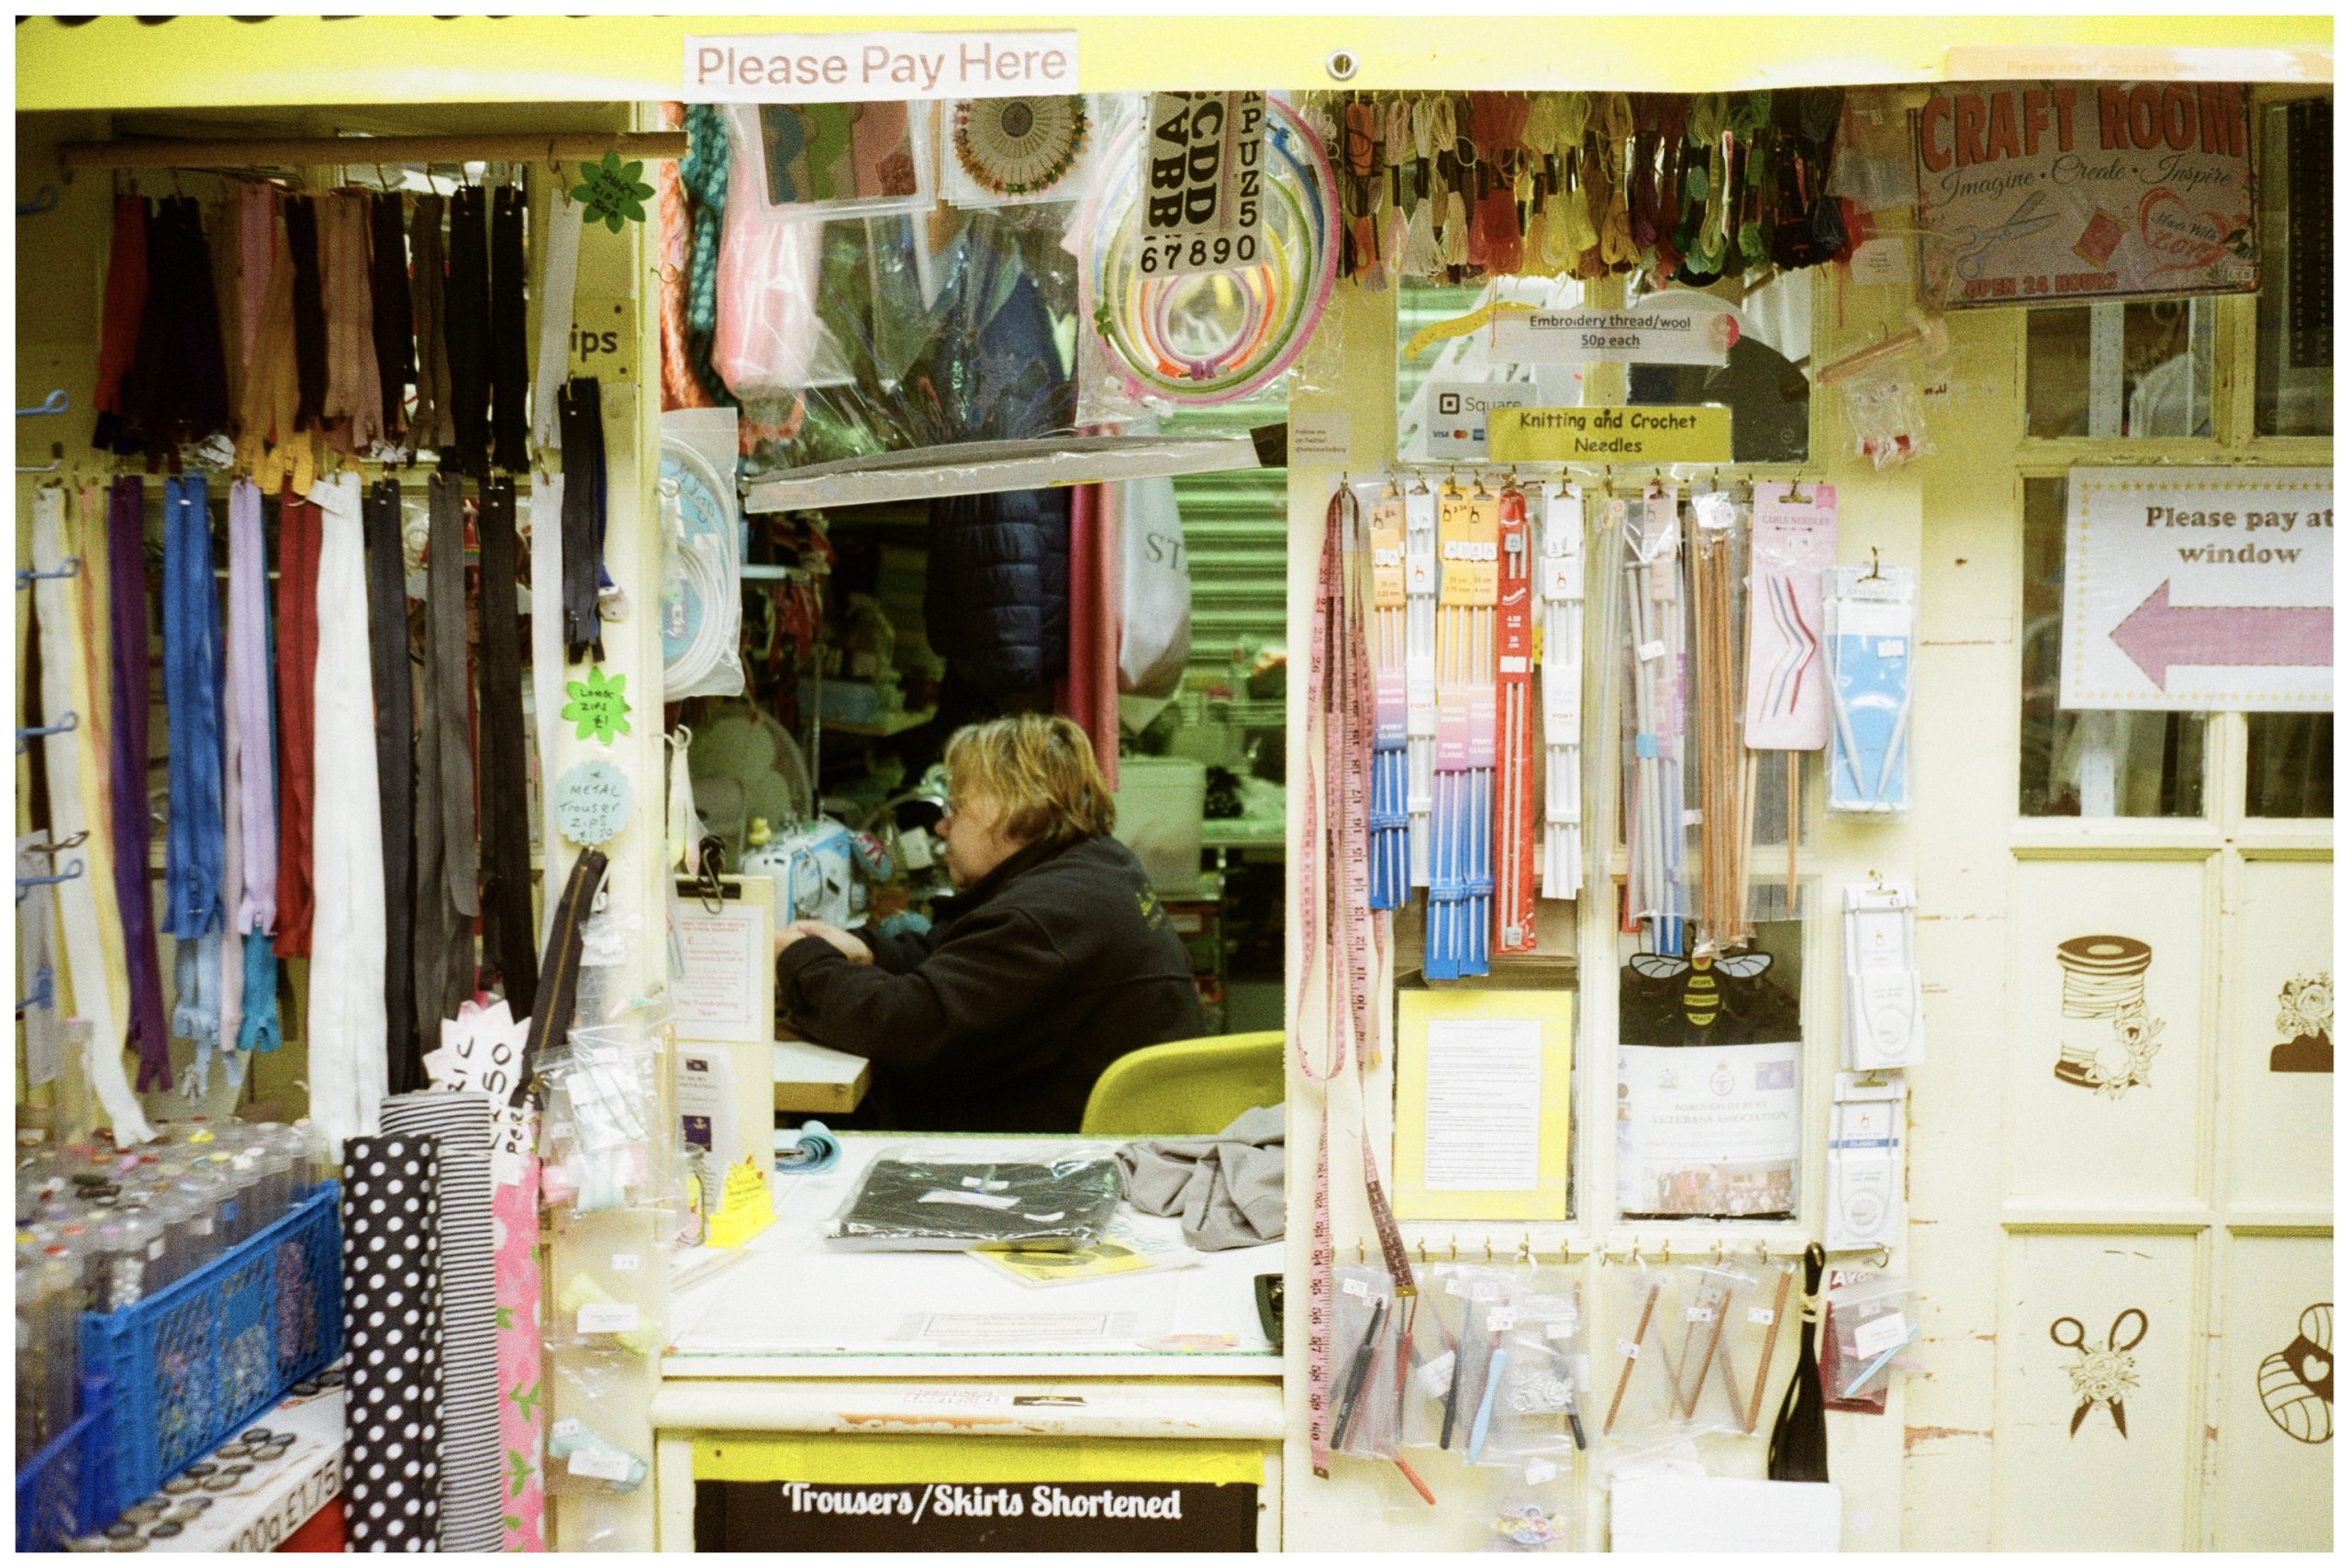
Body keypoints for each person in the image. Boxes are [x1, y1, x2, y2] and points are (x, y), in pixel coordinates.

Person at [774, 714, 1207, 1132]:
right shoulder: (1097, 865)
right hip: (1076, 1130)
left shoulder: (1044, 916)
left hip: (1050, 1158)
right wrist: (871, 952)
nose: (942, 826)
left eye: (957, 808)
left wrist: (799, 960)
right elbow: (969, 959)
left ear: (1012, 807)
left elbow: (905, 1027)